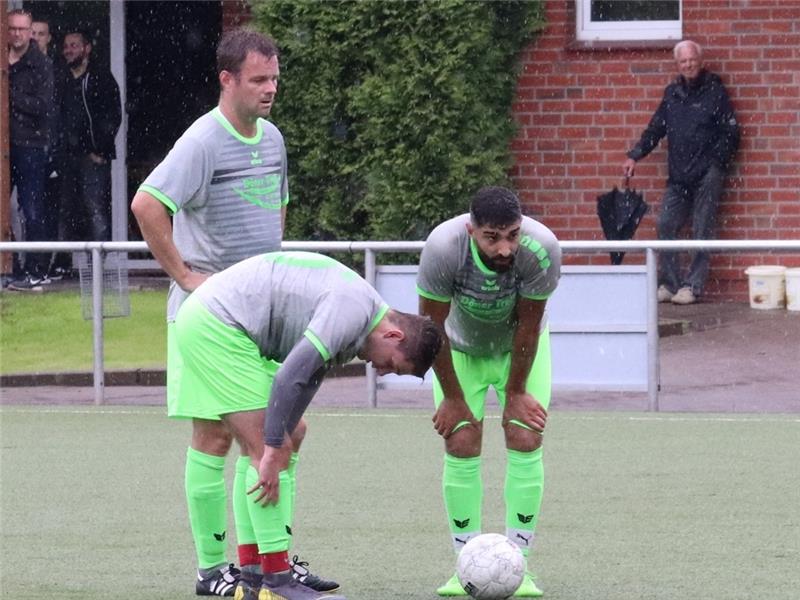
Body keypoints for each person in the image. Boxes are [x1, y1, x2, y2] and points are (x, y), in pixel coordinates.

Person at [131, 29, 335, 597]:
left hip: (262, 320)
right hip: (212, 319)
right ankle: (215, 570)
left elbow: (279, 210)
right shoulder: (202, 140)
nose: (270, 89)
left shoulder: (272, 140)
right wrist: (189, 278)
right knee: (219, 439)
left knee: (287, 430)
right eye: (258, 80)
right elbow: (147, 205)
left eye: (274, 79)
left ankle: (264, 562)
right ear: (227, 80)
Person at [173, 250, 444, 600]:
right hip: (217, 326)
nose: (383, 370)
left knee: (292, 434)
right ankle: (277, 582)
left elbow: (308, 378)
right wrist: (271, 447)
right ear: (394, 336)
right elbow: (290, 374)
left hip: (220, 325)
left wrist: (280, 437)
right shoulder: (351, 311)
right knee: (266, 447)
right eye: (393, 364)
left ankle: (254, 576)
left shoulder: (362, 322)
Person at [417, 186, 561, 598]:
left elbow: (530, 326)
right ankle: (464, 564)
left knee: (525, 433)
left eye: (512, 235)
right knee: (461, 439)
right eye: (492, 237)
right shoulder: (444, 248)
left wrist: (516, 391)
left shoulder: (541, 248)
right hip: (459, 349)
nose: (505, 248)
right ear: (471, 230)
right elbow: (431, 329)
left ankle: (522, 566)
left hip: (520, 349)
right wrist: (452, 396)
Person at [622, 39, 739, 306]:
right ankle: (670, 283)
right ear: (678, 64)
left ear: (700, 61)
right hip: (678, 175)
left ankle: (692, 286)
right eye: (683, 61)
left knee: (701, 229)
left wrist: (716, 165)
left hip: (707, 175)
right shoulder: (672, 94)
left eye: (692, 60)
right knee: (665, 224)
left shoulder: (715, 92)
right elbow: (655, 129)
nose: (688, 65)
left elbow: (731, 133)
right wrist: (635, 155)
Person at [49, 29, 121, 274]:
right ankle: (62, 266)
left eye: (74, 45)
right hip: (68, 157)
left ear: (87, 48)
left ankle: (97, 268)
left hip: (93, 157)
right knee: (66, 211)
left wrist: (99, 148)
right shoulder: (61, 79)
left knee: (95, 209)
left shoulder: (101, 77)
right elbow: (56, 117)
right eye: (66, 46)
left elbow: (113, 115)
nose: (69, 50)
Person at [7, 9, 54, 291]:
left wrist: (8, 93)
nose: (17, 34)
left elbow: (42, 107)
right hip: (5, 147)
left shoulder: (41, 65)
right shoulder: (3, 59)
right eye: (12, 29)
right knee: (4, 211)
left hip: (30, 145)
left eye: (22, 29)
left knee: (32, 209)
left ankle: (36, 270)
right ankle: (9, 267)